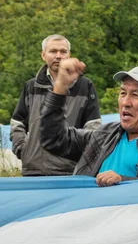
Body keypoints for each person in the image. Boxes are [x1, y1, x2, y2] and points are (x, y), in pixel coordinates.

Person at [39, 61, 138, 187]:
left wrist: (123, 183)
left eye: (135, 95)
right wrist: (59, 89)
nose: (125, 102)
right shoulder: (103, 135)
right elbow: (52, 138)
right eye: (123, 93)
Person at [10, 34, 101, 176]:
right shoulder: (31, 86)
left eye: (63, 51)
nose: (58, 56)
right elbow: (17, 123)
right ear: (43, 55)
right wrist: (23, 149)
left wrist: (81, 156)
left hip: (69, 170)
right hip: (34, 170)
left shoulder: (85, 86)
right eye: (53, 51)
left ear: (69, 55)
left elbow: (93, 126)